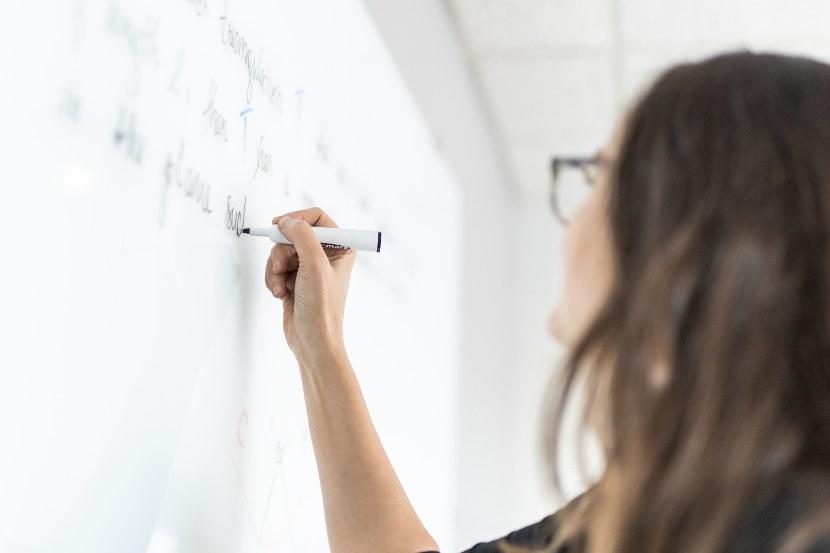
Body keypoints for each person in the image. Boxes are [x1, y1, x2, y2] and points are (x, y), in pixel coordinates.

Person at [262, 50, 830, 553]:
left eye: (598, 176)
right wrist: (322, 351)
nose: (574, 217)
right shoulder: (667, 507)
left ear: (683, 262)